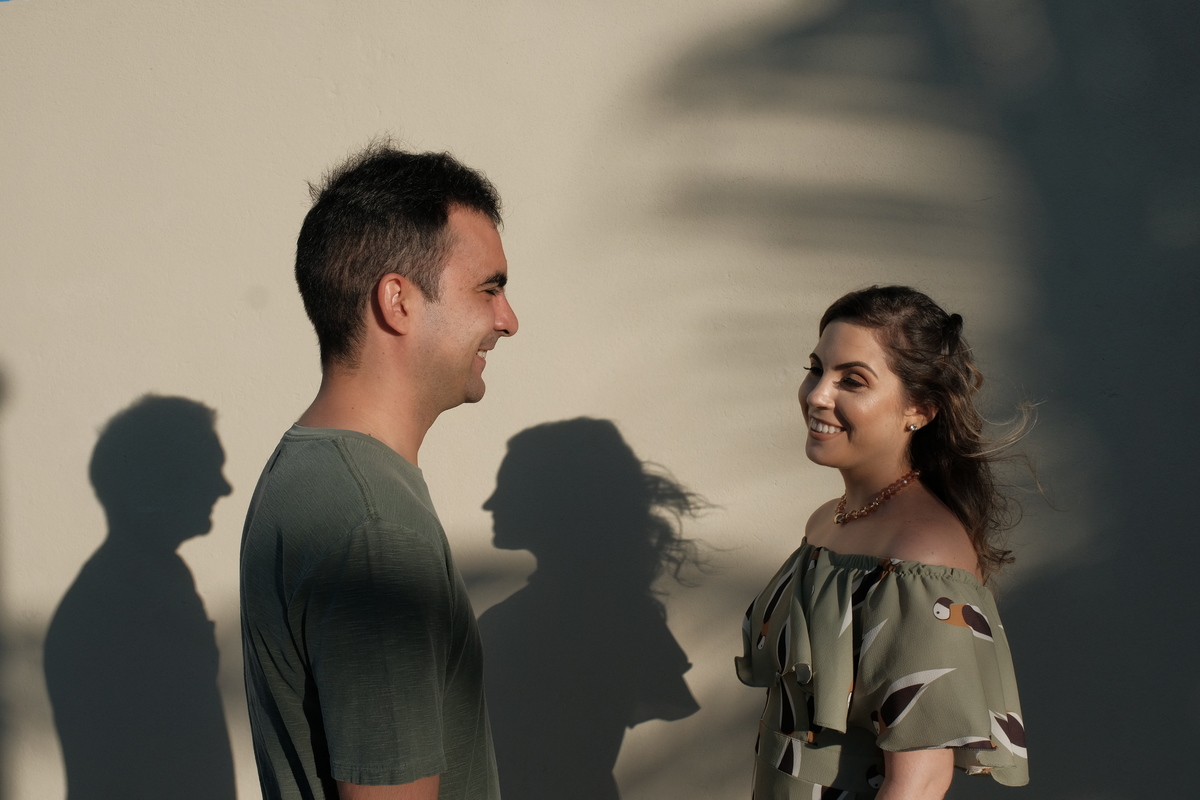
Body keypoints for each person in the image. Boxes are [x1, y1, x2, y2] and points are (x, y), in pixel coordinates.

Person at [240, 144, 518, 800]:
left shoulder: (307, 470)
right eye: (488, 289)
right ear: (397, 301)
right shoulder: (375, 529)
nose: (507, 320)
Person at [737, 286, 1029, 799]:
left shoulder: (922, 556)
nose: (817, 395)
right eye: (815, 369)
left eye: (851, 380)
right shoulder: (827, 522)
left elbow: (919, 782)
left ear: (920, 408)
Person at [477, 418, 703, 800]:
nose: (491, 503)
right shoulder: (619, 610)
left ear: (555, 497)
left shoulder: (529, 623)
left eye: (509, 487)